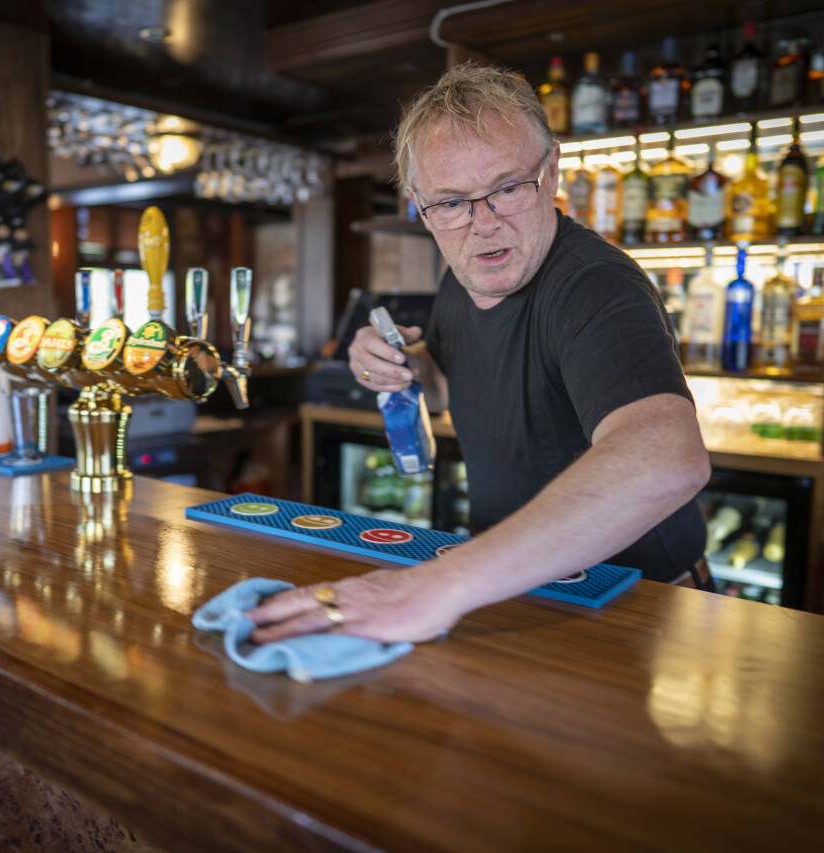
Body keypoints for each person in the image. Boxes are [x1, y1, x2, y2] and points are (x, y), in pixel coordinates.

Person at [248, 62, 711, 645]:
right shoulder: (461, 276)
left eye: (509, 188)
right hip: (515, 586)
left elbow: (669, 458)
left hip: (633, 605)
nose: (483, 224)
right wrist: (400, 367)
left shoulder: (594, 286)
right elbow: (452, 387)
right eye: (450, 203)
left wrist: (435, 586)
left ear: (552, 172)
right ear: (419, 204)